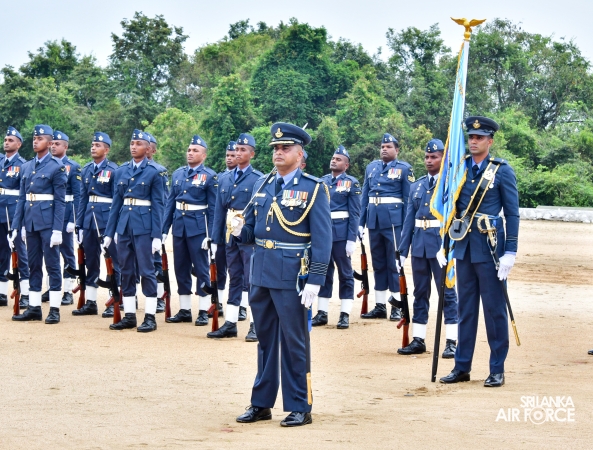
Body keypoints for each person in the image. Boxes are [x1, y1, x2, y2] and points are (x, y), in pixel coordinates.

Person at [233, 122, 331, 427]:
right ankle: (261, 403)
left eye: (285, 148)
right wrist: (239, 230)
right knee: (264, 340)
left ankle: (300, 405)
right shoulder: (263, 184)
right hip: (261, 270)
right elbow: (253, 233)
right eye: (275, 148)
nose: (278, 152)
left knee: (294, 341)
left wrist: (315, 280)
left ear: (299, 154)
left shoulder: (313, 188)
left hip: (292, 275)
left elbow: (323, 239)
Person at [440, 116, 519, 388]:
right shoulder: (459, 169)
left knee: (494, 311)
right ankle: (462, 366)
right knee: (466, 310)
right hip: (463, 248)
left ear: (490, 141)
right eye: (471, 137)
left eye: (480, 138)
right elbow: (451, 208)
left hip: (490, 249)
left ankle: (497, 368)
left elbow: (512, 214)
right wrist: (445, 244)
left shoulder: (501, 171)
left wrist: (510, 251)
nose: (473, 141)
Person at [397, 139, 458, 357]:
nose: (429, 160)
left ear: (443, 159)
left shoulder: (450, 185)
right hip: (419, 247)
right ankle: (418, 338)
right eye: (427, 157)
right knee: (420, 293)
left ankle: (452, 341)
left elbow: (455, 219)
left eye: (434, 157)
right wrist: (402, 251)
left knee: (447, 294)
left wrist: (449, 246)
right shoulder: (417, 185)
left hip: (441, 247)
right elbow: (408, 221)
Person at [103, 129, 166, 332]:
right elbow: (116, 203)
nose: (133, 146)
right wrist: (109, 233)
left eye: (138, 144)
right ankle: (129, 315)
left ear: (148, 149)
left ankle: (150, 316)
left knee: (147, 271)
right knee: (126, 270)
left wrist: (157, 235)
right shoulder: (121, 171)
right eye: (132, 143)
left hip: (144, 227)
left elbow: (158, 205)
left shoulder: (155, 172)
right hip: (124, 226)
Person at [11, 125, 67, 324]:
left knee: (52, 265)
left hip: (49, 223)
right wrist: (16, 226)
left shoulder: (57, 166)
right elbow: (22, 198)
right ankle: (34, 307)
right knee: (33, 265)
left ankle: (54, 309)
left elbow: (60, 201)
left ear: (50, 143)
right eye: (34, 138)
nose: (35, 142)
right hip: (31, 223)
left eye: (40, 139)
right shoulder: (26, 167)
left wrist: (58, 229)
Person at [210, 133, 262, 341]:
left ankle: (255, 324)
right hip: (230, 234)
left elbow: (259, 212)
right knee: (235, 277)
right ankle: (230, 323)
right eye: (237, 149)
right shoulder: (224, 178)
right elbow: (219, 211)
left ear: (252, 154)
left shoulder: (258, 179)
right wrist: (216, 240)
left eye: (243, 150)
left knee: (251, 279)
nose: (238, 153)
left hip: (248, 235)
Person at [163, 135, 218, 327]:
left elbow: (213, 209)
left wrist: (211, 235)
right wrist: (164, 230)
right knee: (181, 267)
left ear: (204, 155)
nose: (190, 153)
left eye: (195, 150)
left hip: (199, 228)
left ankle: (203, 310)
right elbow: (170, 203)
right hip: (179, 226)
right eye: (189, 150)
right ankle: (185, 310)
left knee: (202, 269)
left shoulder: (210, 176)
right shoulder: (178, 174)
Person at [359, 133, 414, 320]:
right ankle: (380, 305)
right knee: (378, 263)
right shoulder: (371, 167)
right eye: (382, 146)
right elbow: (364, 197)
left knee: (394, 263)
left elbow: (408, 201)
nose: (384, 149)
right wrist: (361, 223)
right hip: (374, 221)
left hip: (393, 223)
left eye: (389, 147)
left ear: (396, 150)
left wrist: (407, 227)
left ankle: (396, 305)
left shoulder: (404, 169)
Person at [312, 145, 361, 329]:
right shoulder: (322, 181)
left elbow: (354, 213)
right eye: (333, 158)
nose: (334, 160)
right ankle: (322, 312)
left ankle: (344, 314)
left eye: (338, 159)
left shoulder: (352, 183)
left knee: (345, 274)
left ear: (346, 165)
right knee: (323, 271)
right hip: (323, 234)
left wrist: (351, 239)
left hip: (341, 234)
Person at [72, 132, 120, 317]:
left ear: (106, 150)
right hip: (89, 221)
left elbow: (117, 200)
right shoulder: (86, 169)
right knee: (91, 261)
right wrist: (79, 225)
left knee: (113, 261)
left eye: (97, 145)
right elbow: (83, 199)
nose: (93, 147)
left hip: (106, 220)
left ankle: (115, 300)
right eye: (92, 145)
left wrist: (114, 227)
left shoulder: (114, 170)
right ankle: (91, 302)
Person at [44, 131, 81, 306]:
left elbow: (78, 195)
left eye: (57, 144)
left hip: (66, 214)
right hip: (48, 213)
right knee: (48, 252)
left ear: (65, 146)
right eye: (52, 143)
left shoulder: (72, 166)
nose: (53, 146)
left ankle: (67, 290)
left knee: (67, 252)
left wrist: (74, 219)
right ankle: (51, 288)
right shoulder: (46, 164)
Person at [0, 127, 30, 309]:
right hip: (0, 212)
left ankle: (25, 293)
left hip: (14, 213)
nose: (6, 142)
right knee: (1, 252)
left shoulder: (23, 165)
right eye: (5, 140)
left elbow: (24, 194)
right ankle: (2, 292)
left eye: (10, 140)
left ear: (18, 144)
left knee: (20, 252)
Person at [214, 141, 238, 317]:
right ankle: (219, 303)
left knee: (238, 271)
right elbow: (217, 210)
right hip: (223, 232)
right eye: (228, 155)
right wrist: (214, 237)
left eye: (233, 155)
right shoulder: (221, 178)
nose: (229, 158)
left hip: (239, 231)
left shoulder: (254, 178)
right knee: (219, 268)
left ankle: (241, 306)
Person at [146, 132, 169, 314]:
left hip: (153, 221)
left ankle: (160, 297)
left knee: (155, 262)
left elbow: (163, 201)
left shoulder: (159, 171)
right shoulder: (128, 169)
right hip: (134, 222)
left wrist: (160, 229)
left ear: (152, 150)